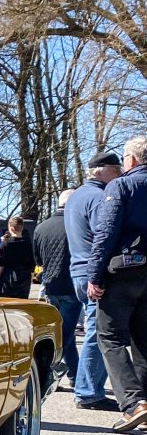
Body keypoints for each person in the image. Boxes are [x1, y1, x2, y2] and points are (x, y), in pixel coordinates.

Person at [85, 134, 147, 431]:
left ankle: (134, 403)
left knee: (109, 337)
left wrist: (94, 276)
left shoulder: (121, 186)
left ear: (131, 160)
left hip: (124, 270)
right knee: (144, 340)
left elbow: (105, 234)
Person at [65, 150, 123, 410]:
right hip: (93, 272)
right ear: (101, 171)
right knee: (97, 331)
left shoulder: (76, 196)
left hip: (77, 270)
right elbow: (105, 236)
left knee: (93, 328)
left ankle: (88, 388)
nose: (119, 176)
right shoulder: (100, 198)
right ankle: (88, 392)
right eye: (116, 170)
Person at [32, 190, 77, 390]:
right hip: (70, 284)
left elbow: (38, 259)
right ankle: (48, 374)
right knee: (65, 335)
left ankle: (76, 375)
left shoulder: (41, 227)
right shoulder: (75, 225)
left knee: (65, 333)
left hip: (50, 285)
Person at [0, 216, 34, 298]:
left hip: (8, 277)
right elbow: (31, 265)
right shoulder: (28, 245)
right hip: (24, 278)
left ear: (11, 228)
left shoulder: (4, 244)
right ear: (22, 228)